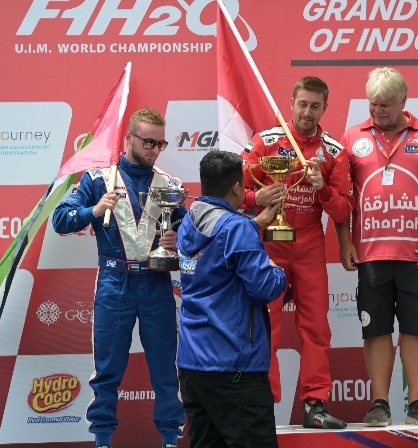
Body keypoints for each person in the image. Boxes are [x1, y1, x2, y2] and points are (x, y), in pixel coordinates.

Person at [52, 108, 184, 448]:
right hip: (115, 282)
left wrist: (177, 240)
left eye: (160, 143)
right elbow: (60, 220)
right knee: (108, 369)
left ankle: (170, 438)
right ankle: (102, 440)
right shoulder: (99, 180)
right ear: (129, 138)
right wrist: (94, 210)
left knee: (165, 368)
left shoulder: (170, 186)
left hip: (156, 282)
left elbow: (191, 238)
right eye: (148, 142)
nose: (155, 150)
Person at [335, 67, 418, 427]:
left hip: (415, 254)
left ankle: (417, 402)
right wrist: (345, 241)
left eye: (385, 105)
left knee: (417, 327)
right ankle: (380, 403)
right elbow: (341, 196)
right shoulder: (351, 138)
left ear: (403, 100)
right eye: (373, 104)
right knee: (375, 328)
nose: (378, 111)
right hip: (370, 254)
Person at [242, 75, 353, 429]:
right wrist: (256, 197)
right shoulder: (265, 141)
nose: (307, 112)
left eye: (315, 106)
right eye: (302, 104)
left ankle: (315, 404)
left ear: (325, 108)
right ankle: (261, 403)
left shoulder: (334, 150)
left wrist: (324, 190)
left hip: (309, 242)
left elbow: (343, 211)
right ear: (291, 104)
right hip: (267, 242)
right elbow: (235, 193)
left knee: (316, 326)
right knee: (265, 324)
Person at [176, 150, 287, 447]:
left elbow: (221, 244)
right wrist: (278, 271)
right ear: (237, 187)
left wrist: (254, 224)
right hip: (234, 366)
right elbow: (265, 288)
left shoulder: (189, 221)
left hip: (192, 365)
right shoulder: (237, 228)